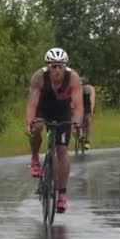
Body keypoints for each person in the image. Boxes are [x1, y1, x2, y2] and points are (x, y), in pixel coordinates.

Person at [25, 47, 83, 213]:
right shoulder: (39, 77)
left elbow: (78, 105)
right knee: (37, 126)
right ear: (47, 67)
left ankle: (62, 194)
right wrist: (29, 123)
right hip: (43, 107)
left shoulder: (73, 77)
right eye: (53, 66)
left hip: (62, 110)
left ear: (65, 67)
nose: (57, 70)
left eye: (60, 66)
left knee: (62, 150)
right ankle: (35, 157)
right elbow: (32, 104)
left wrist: (77, 124)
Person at [80, 76, 96, 150]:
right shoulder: (76, 89)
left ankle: (87, 140)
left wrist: (91, 111)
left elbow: (92, 101)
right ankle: (78, 134)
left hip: (87, 105)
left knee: (88, 120)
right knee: (77, 121)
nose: (82, 87)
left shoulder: (90, 89)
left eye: (83, 85)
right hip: (79, 104)